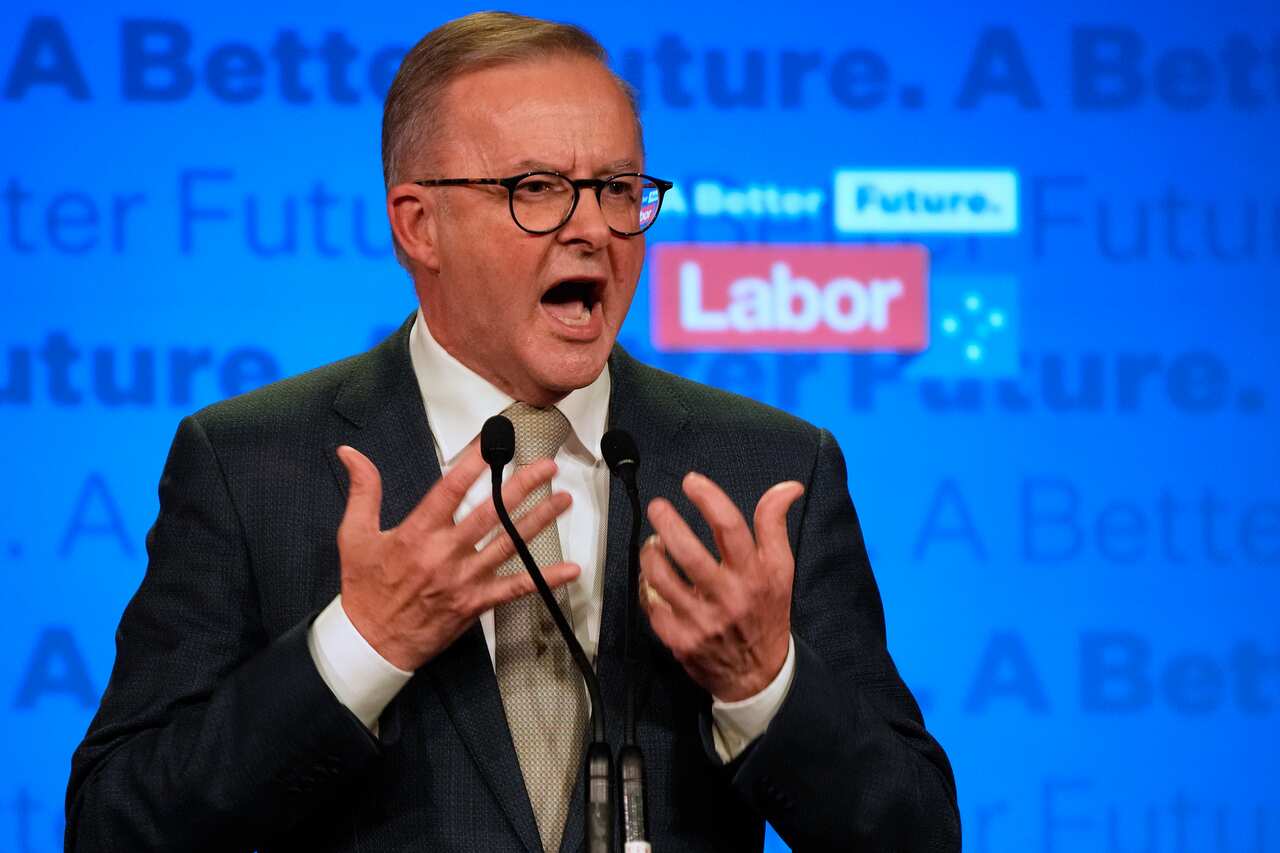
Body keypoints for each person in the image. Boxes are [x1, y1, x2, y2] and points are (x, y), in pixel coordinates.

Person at [66, 11, 959, 853]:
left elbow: (915, 832)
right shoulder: (252, 465)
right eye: (536, 189)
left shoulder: (766, 470)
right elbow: (117, 822)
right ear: (419, 225)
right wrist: (361, 646)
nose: (592, 230)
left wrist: (764, 683)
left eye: (617, 189)